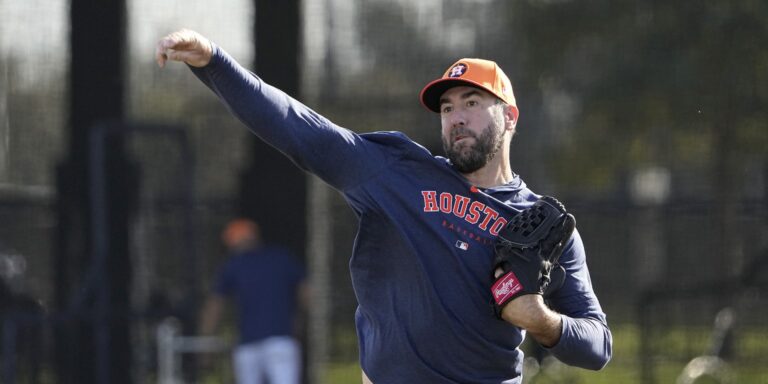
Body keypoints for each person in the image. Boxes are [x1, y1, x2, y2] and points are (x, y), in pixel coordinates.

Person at [158, 29, 612, 384]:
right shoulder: (396, 175)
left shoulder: (543, 225)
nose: (456, 117)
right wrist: (213, 61)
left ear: (509, 117)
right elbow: (300, 128)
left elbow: (598, 344)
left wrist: (545, 323)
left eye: (473, 103)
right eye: (447, 108)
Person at [199, 218, 308, 384]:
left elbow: (215, 305)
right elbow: (307, 292)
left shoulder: (233, 265)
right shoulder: (281, 258)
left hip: (248, 343)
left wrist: (207, 341)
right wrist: (299, 320)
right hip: (280, 340)